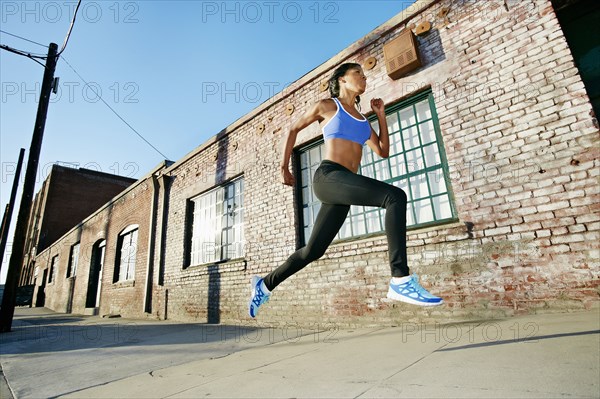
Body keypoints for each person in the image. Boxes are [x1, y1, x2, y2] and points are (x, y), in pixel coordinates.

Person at [248, 62, 443, 318]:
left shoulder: (363, 120)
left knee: (313, 251)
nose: (364, 77)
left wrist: (381, 115)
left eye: (364, 74)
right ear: (342, 79)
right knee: (394, 196)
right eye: (358, 73)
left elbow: (383, 151)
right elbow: (293, 129)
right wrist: (284, 166)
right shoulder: (328, 106)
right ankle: (400, 278)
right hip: (328, 176)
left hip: (343, 185)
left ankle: (264, 284)